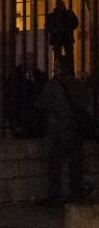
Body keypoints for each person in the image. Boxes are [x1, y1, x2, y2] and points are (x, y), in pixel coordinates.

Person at [34, 60, 88, 205]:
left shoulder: (52, 85)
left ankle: (55, 195)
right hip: (75, 130)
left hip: (57, 130)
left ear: (58, 69)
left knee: (55, 164)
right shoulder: (77, 84)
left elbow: (41, 104)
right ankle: (76, 193)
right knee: (75, 163)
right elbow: (84, 102)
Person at [6, 53, 46, 138]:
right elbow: (11, 102)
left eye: (31, 59)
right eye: (27, 59)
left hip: (37, 122)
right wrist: (15, 124)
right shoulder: (14, 77)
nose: (29, 63)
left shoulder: (41, 77)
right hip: (22, 120)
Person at [45, 0, 78, 73]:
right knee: (60, 58)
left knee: (65, 58)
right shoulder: (54, 16)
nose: (61, 7)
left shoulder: (55, 15)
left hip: (64, 38)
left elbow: (75, 23)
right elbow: (47, 27)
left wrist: (66, 28)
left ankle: (66, 73)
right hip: (62, 38)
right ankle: (63, 73)